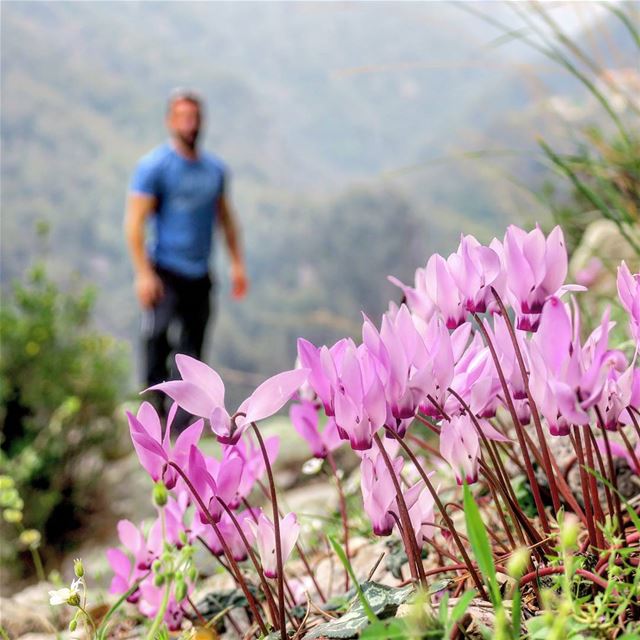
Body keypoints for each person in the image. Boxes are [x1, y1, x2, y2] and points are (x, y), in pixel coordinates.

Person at [125, 88, 247, 412]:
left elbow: (226, 219)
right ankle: (154, 411)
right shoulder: (155, 167)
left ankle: (185, 423)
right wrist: (143, 274)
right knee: (156, 339)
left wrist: (237, 264)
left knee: (193, 352)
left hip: (200, 272)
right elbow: (134, 223)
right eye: (182, 117)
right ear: (170, 121)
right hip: (164, 269)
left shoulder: (214, 170)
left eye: (194, 117)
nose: (189, 124)